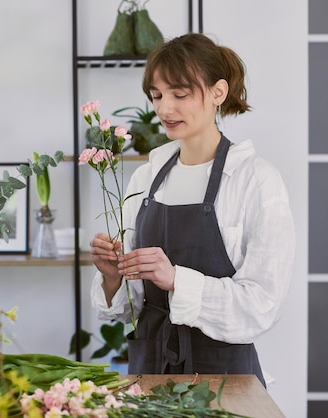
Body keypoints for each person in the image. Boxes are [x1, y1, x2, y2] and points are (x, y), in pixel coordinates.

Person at [89, 33, 294, 386]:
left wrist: (176, 280)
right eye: (157, 96)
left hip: (227, 382)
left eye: (180, 94)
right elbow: (129, 308)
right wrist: (113, 277)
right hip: (150, 373)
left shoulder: (257, 180)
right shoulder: (144, 177)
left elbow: (263, 305)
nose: (165, 109)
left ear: (218, 92)